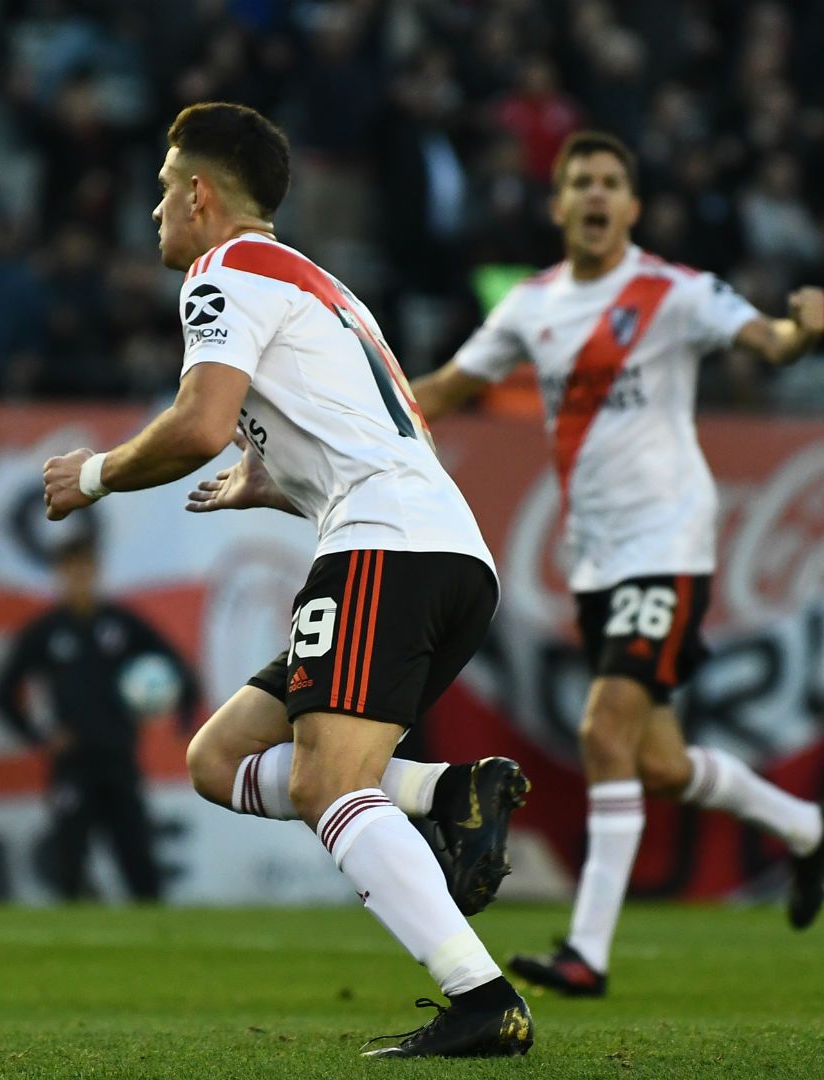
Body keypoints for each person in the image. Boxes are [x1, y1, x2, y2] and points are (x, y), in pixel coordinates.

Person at [40, 102, 534, 1059]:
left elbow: (196, 422)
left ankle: (481, 997)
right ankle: (447, 792)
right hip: (445, 553)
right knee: (217, 761)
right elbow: (388, 435)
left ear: (198, 193)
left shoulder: (221, 270)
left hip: (383, 549)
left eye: (160, 193)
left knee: (325, 784)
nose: (154, 215)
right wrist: (277, 483)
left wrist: (94, 474)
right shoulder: (327, 286)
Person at [411, 131, 824, 998]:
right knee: (657, 761)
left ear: (633, 205)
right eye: (580, 182)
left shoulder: (673, 291)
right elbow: (447, 388)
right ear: (558, 204)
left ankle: (588, 951)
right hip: (595, 559)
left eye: (611, 182)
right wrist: (359, 402)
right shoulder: (531, 307)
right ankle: (811, 829)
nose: (595, 195)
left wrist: (800, 332)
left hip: (669, 542)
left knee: (602, 730)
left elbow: (764, 341)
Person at [0, 536, 201, 903]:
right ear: (59, 575)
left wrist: (181, 718)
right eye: (70, 570)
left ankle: (159, 946)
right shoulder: (46, 631)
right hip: (72, 766)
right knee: (69, 869)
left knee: (141, 870)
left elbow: (179, 669)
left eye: (85, 569)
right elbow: (1, 694)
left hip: (119, 761)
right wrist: (40, 736)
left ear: (96, 572)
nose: (79, 578)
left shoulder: (121, 624)